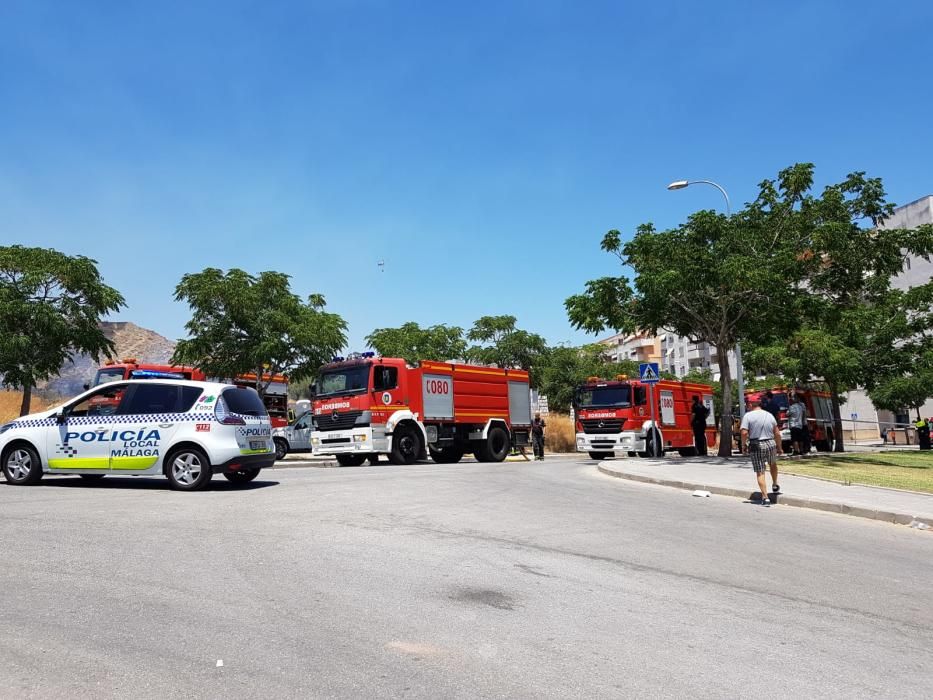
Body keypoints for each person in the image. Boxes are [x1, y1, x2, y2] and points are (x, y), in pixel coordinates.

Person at [740, 396, 783, 506]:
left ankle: (765, 497)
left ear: (750, 404)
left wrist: (743, 444)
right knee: (772, 463)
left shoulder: (748, 416)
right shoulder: (769, 415)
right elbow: (777, 433)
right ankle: (774, 484)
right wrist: (779, 447)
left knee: (760, 471)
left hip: (757, 444)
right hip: (770, 443)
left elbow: (744, 433)